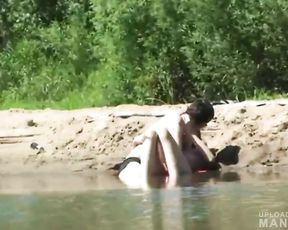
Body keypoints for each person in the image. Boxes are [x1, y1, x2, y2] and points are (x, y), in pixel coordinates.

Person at [116, 100, 235, 188]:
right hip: (136, 165)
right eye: (202, 125)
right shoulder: (176, 122)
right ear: (200, 123)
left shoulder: (184, 125)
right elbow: (173, 160)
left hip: (137, 168)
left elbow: (208, 158)